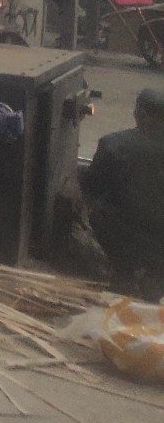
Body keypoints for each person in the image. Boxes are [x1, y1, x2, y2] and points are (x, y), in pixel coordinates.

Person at [81, 88, 164, 300]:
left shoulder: (114, 144)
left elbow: (91, 187)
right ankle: (156, 275)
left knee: (98, 211)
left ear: (140, 114)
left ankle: (124, 272)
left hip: (125, 236)